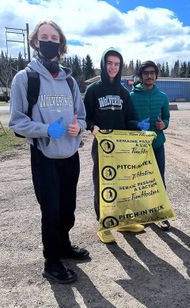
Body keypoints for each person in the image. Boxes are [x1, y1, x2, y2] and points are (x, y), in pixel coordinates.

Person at [9, 20, 89, 284]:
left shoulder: (70, 81)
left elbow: (82, 115)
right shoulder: (25, 78)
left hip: (70, 155)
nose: (49, 41)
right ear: (35, 42)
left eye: (54, 37)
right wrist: (46, 130)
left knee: (68, 208)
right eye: (44, 36)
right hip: (44, 157)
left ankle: (64, 246)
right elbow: (17, 122)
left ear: (61, 43)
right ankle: (51, 261)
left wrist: (80, 128)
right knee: (51, 210)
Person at [84, 48, 144, 244]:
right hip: (102, 144)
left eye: (116, 64)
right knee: (103, 183)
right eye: (109, 63)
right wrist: (92, 127)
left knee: (123, 183)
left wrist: (139, 127)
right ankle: (104, 223)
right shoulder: (93, 90)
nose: (112, 67)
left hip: (122, 145)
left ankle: (123, 221)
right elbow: (85, 116)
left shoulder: (123, 93)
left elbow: (130, 118)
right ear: (103, 64)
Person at [129, 60, 171, 230]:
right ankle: (143, 213)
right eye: (146, 73)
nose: (149, 76)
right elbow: (127, 120)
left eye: (152, 73)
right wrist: (137, 124)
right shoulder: (131, 96)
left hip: (157, 145)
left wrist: (164, 125)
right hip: (138, 147)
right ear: (140, 76)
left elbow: (167, 117)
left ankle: (161, 214)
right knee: (140, 181)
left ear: (156, 76)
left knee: (159, 179)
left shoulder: (162, 97)